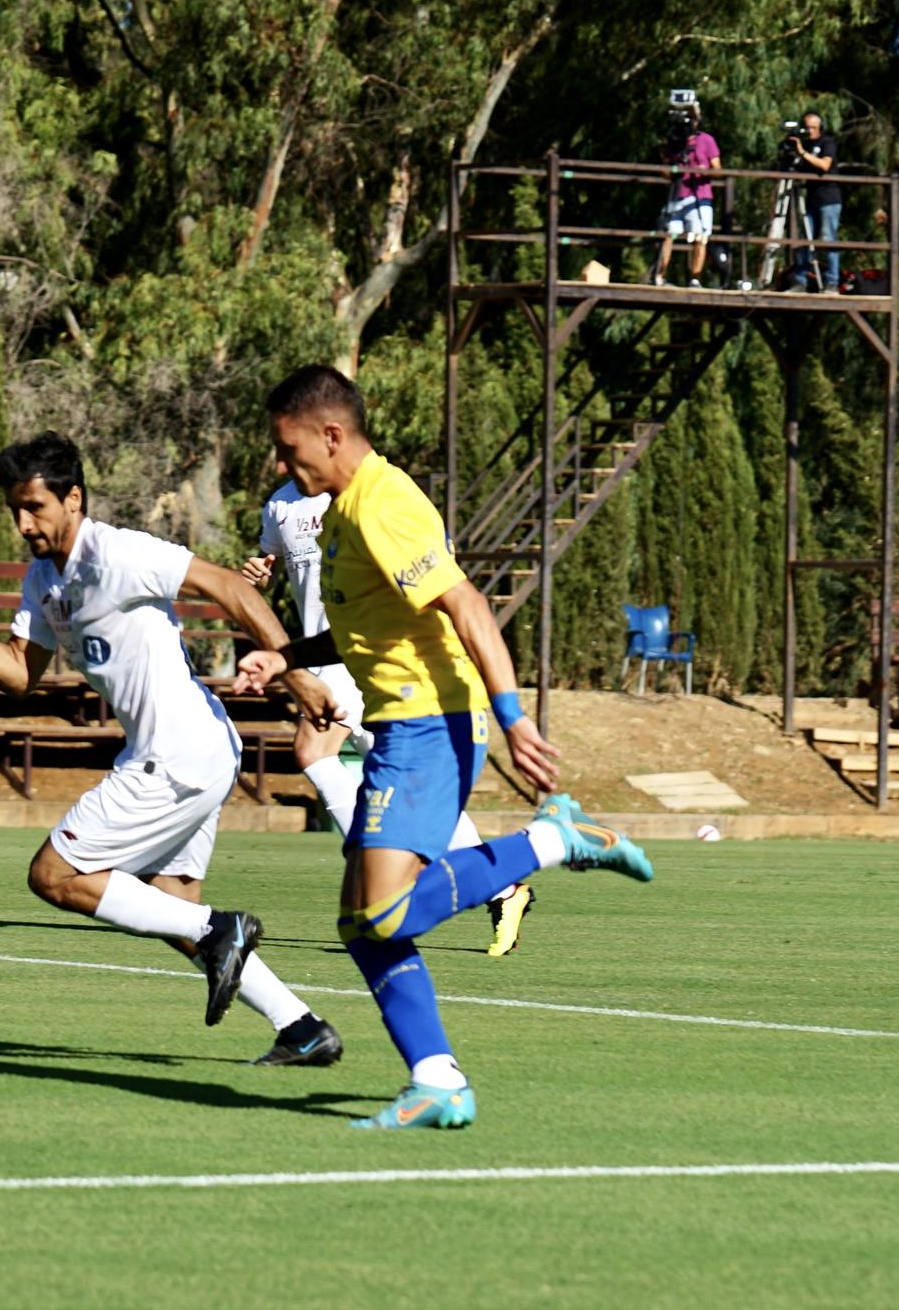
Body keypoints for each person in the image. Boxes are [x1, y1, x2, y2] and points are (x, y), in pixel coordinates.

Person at [234, 366, 654, 1130]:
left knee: (386, 912)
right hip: (403, 721)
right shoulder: (341, 509)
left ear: (333, 435)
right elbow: (370, 625)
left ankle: (554, 840)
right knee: (361, 925)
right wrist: (288, 655)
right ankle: (437, 1080)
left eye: (291, 450)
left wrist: (515, 717)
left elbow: (467, 605)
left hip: (432, 721)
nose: (284, 467)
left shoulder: (385, 504)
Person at [0, 431, 346, 1066]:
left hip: (178, 752)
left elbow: (233, 590)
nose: (22, 523)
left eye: (34, 507)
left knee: (55, 875)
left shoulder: (119, 552)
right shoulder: (44, 579)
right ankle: (302, 1028)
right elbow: (19, 674)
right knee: (172, 906)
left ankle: (220, 931)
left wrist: (296, 674)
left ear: (73, 499)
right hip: (193, 750)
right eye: (14, 509)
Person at [242, 483, 535, 957]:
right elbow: (272, 563)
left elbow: (443, 576)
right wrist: (260, 571)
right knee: (406, 785)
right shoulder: (279, 503)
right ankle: (501, 885)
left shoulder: (371, 494)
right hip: (323, 651)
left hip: (362, 654)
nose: (289, 457)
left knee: (312, 751)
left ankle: (382, 877)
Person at [652, 98, 722, 289]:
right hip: (677, 194)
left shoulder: (706, 140)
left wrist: (703, 170)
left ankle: (695, 278)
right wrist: (670, 165)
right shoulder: (674, 140)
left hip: (700, 195)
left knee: (700, 236)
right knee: (669, 234)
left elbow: (718, 169)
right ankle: (660, 276)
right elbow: (665, 171)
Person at [791, 112, 841, 292]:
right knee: (806, 240)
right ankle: (800, 280)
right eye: (806, 127)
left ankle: (832, 282)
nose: (809, 131)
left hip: (828, 198)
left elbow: (824, 165)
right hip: (810, 200)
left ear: (820, 127)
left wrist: (803, 153)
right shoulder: (803, 145)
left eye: (813, 127)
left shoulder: (827, 143)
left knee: (828, 239)